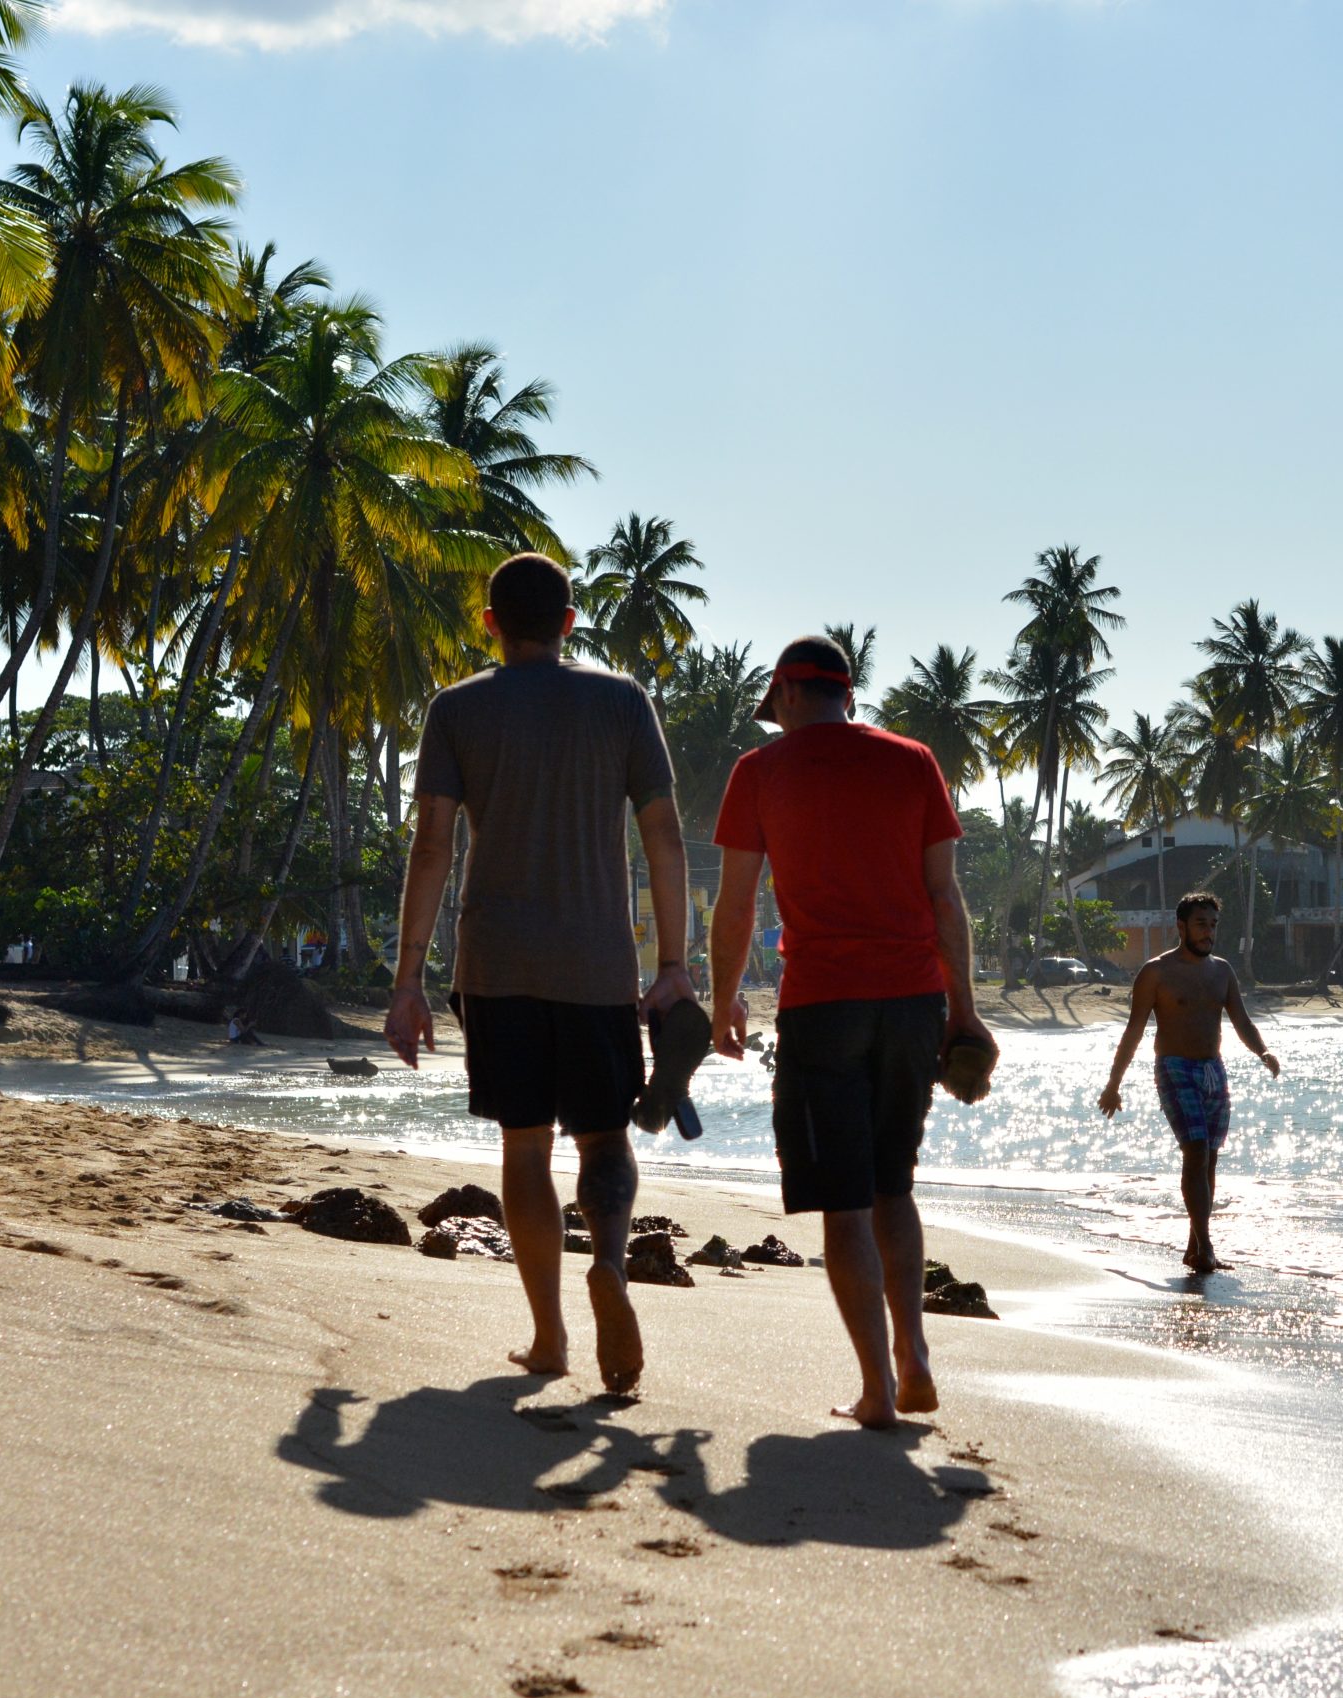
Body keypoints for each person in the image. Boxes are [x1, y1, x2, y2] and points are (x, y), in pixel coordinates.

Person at [385, 552, 693, 1395]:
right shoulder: (622, 701)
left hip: (498, 962)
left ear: (489, 623)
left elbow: (433, 847)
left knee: (524, 1146)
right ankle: (614, 1269)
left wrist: (409, 980)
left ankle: (551, 1336)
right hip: (597, 964)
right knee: (605, 1137)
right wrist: (673, 964)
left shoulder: (456, 710)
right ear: (568, 621)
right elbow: (664, 838)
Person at [707, 633, 994, 1428]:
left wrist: (723, 1000)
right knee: (891, 1185)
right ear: (848, 693)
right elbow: (946, 900)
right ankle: (915, 1354)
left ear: (790, 692)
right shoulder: (913, 760)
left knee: (843, 1200)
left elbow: (736, 906)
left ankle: (877, 1390)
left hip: (822, 1005)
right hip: (911, 1003)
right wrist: (962, 1008)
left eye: (776, 708)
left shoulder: (759, 772)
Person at [1097, 891, 1279, 1273]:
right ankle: (1208, 1246)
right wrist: (1114, 1084)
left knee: (1210, 1159)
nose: (1208, 932)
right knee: (1195, 1150)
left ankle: (1195, 1246)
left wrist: (1262, 1052)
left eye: (1212, 925)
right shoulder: (1156, 972)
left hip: (1214, 1069)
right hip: (1174, 1068)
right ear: (1181, 927)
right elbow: (1133, 1032)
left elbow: (1241, 1021)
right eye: (1200, 924)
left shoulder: (1223, 971)